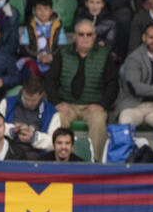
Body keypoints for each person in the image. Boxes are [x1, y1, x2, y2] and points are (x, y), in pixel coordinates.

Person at [44, 20, 117, 162]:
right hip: (66, 105)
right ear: (74, 36)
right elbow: (50, 80)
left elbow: (113, 84)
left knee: (99, 119)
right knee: (57, 117)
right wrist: (57, 103)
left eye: (89, 34)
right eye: (81, 34)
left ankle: (96, 164)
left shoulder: (104, 55)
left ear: (95, 36)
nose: (85, 38)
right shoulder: (63, 53)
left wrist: (102, 105)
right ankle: (58, 162)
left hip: (93, 106)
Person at [117, 22, 153, 129]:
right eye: (151, 37)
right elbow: (135, 87)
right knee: (125, 122)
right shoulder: (133, 58)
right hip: (134, 106)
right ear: (144, 38)